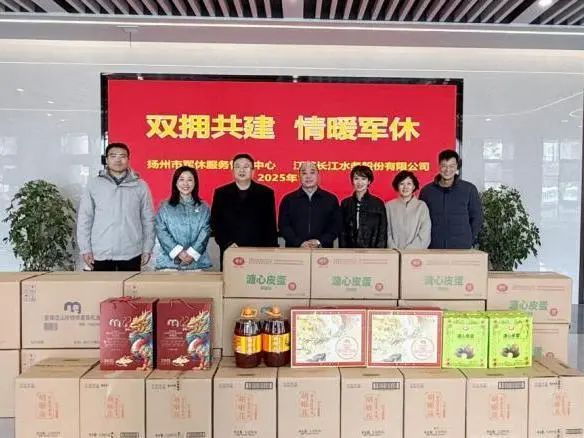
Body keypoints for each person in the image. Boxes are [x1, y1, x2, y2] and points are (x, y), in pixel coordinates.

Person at [77, 142, 155, 271]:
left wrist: (147, 248)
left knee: (130, 285)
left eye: (122, 156)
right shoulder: (94, 184)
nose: (118, 160)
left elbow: (148, 219)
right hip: (101, 252)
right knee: (102, 285)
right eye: (113, 156)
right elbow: (85, 218)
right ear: (106, 159)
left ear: (128, 159)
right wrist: (85, 249)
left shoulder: (140, 185)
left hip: (132, 252)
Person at [211, 153, 278, 269]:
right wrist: (227, 243)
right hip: (230, 250)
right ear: (233, 170)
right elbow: (216, 222)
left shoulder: (266, 193)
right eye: (238, 166)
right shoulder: (221, 193)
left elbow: (270, 225)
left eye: (246, 166)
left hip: (258, 253)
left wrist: (270, 251)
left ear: (253, 171)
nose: (242, 170)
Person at [419, 149, 483, 249]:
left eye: (452, 166)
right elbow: (421, 219)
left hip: (461, 246)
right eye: (444, 166)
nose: (447, 170)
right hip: (433, 246)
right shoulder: (427, 191)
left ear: (457, 167)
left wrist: (469, 239)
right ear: (439, 166)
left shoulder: (469, 189)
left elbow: (477, 217)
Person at [155, 166, 212, 271]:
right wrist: (178, 252)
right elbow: (161, 231)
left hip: (197, 263)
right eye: (181, 179)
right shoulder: (165, 207)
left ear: (195, 183)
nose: (185, 183)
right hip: (169, 263)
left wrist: (192, 254)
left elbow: (205, 230)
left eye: (189, 180)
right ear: (175, 183)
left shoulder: (203, 207)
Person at [278, 161, 341, 248]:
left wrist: (319, 242)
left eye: (312, 172)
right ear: (299, 176)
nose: (308, 176)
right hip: (295, 250)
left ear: (318, 175)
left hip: (323, 250)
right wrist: (299, 243)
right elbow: (284, 226)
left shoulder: (331, 199)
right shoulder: (288, 200)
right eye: (304, 173)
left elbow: (335, 226)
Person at [339, 165, 387, 248]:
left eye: (363, 179)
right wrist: (343, 251)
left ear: (369, 181)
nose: (359, 182)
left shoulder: (378, 203)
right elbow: (342, 232)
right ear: (352, 181)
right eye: (356, 178)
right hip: (349, 250)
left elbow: (382, 232)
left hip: (372, 251)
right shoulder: (345, 204)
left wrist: (379, 252)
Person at [386, 170, 431, 249]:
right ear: (397, 186)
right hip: (394, 253)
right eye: (402, 184)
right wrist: (395, 250)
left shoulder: (421, 206)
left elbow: (425, 234)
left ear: (414, 186)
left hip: (415, 254)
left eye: (409, 183)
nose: (405, 187)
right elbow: (386, 232)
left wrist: (409, 251)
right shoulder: (389, 206)